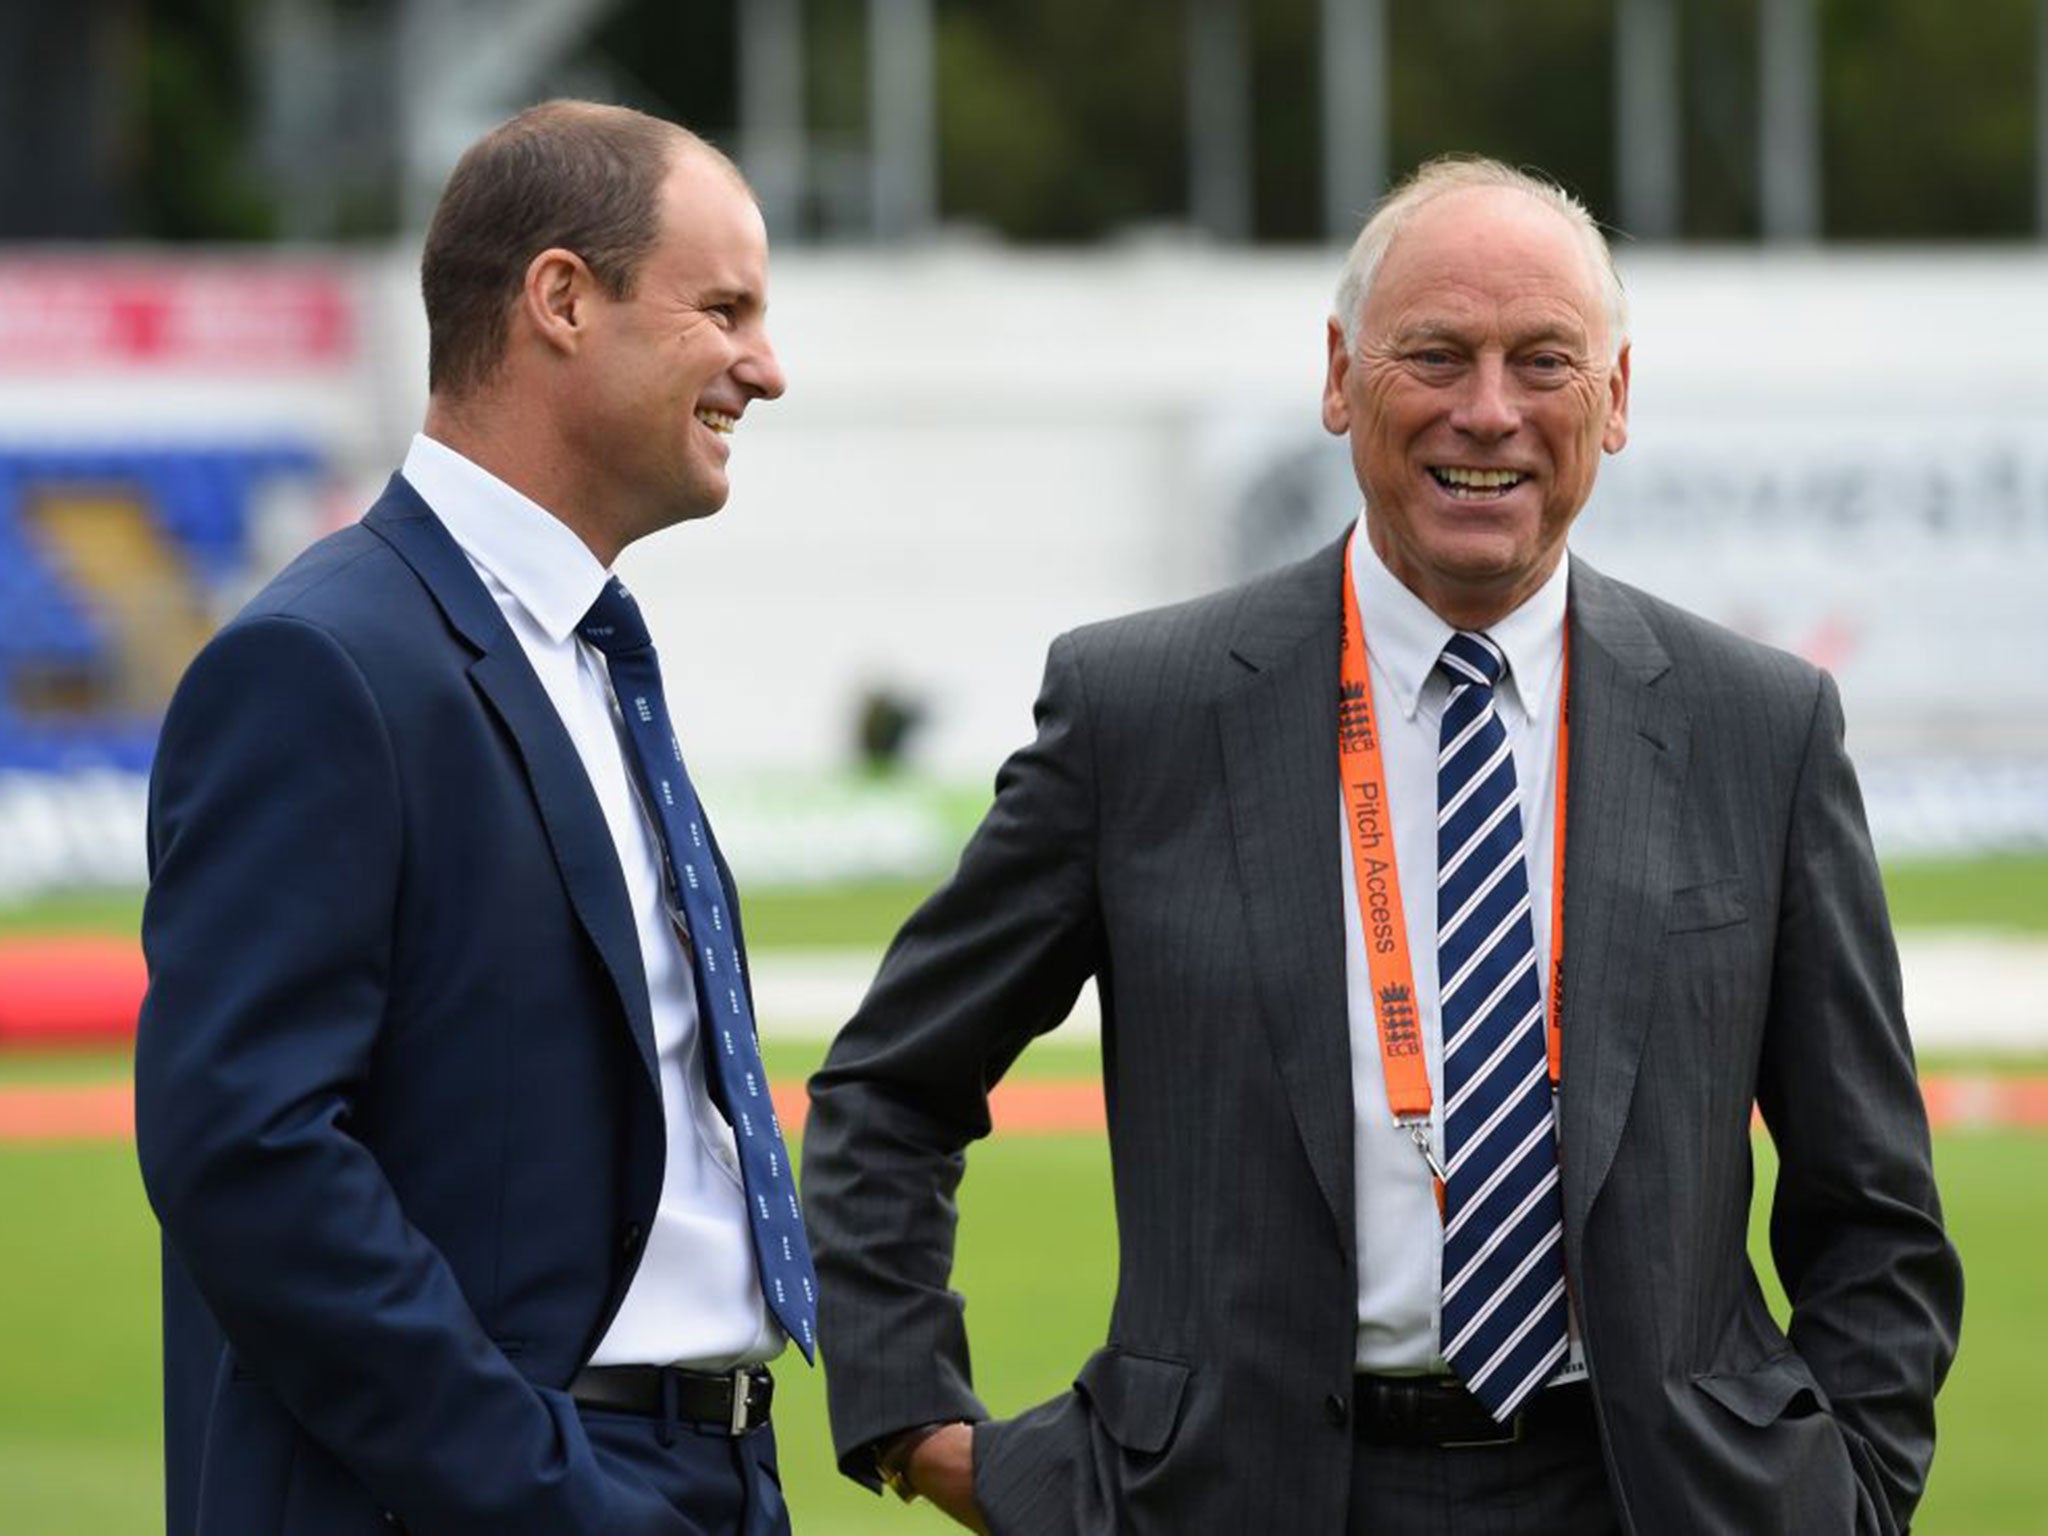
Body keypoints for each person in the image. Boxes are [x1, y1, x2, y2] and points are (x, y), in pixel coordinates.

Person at [800, 157, 1962, 1536]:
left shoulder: (1753, 728)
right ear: (1342, 378)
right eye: (1436, 355)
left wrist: (1855, 1497)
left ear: (1618, 397)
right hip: (1241, 1499)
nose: (1490, 412)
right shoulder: (1146, 712)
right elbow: (887, 1090)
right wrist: (917, 1422)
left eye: (1545, 361)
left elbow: (1872, 1198)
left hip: (1656, 1496)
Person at [135, 100, 813, 1536]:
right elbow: (248, 1160)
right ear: (562, 299)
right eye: (726, 309)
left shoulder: (588, 652)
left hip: (704, 1473)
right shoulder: (323, 664)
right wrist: (548, 1491)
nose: (768, 367)